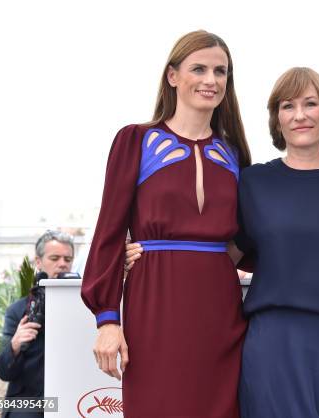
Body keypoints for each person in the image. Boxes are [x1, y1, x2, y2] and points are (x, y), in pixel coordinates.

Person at [126, 67, 319, 418]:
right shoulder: (254, 182)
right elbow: (219, 252)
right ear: (276, 120)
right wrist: (145, 254)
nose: (299, 115)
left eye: (311, 104)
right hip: (271, 342)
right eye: (287, 106)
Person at [81, 30, 251, 417]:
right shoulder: (136, 140)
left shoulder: (235, 153)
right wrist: (107, 319)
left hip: (220, 310)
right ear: (173, 76)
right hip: (153, 304)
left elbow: (252, 234)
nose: (211, 80)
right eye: (199, 68)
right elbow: (108, 230)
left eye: (220, 71)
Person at [0, 230, 74, 418]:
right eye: (54, 258)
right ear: (38, 261)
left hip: (71, 394)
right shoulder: (17, 311)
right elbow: (4, 372)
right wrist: (14, 346)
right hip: (28, 398)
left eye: (68, 259)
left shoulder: (84, 307)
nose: (62, 264)